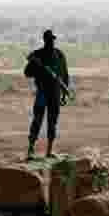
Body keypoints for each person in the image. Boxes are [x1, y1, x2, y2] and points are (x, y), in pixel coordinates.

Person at [24, 29, 70, 160]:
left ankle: (49, 151)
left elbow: (64, 74)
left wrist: (64, 91)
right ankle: (31, 149)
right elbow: (27, 73)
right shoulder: (37, 55)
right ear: (44, 40)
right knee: (37, 120)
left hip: (55, 92)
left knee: (52, 122)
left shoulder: (59, 55)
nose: (51, 42)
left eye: (52, 40)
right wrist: (37, 67)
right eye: (48, 40)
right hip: (42, 92)